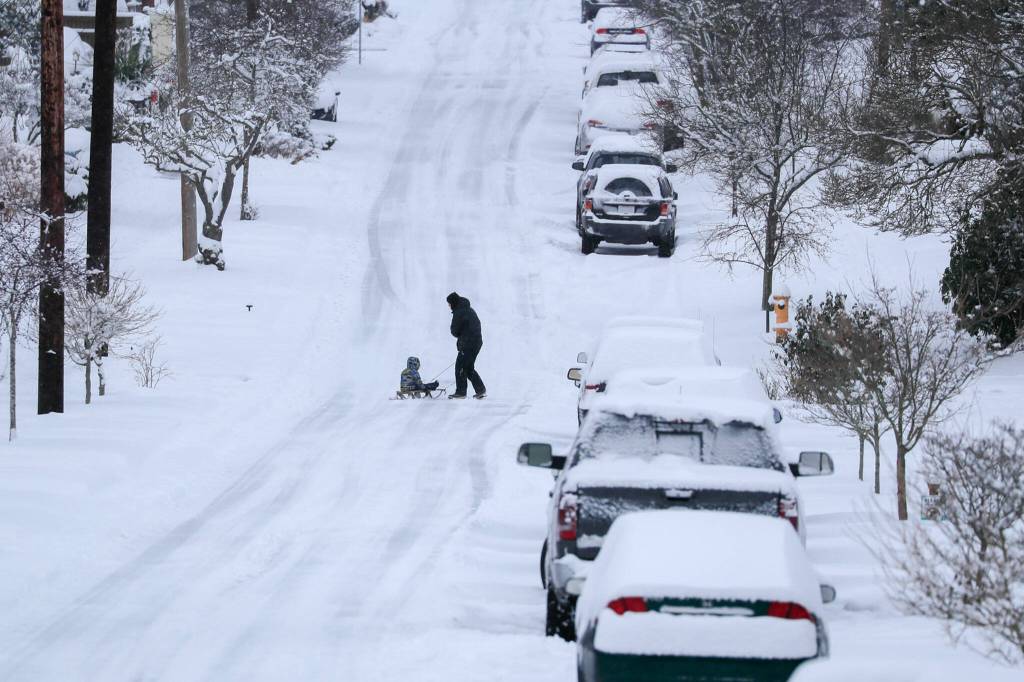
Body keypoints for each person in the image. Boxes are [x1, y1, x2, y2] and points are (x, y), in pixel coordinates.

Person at [446, 292, 486, 399]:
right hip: (477, 342)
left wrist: (461, 336)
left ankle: (461, 392)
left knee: (460, 367)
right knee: (468, 368)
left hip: (468, 344)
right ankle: (480, 389)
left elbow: (454, 331)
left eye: (449, 304)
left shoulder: (459, 312)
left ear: (453, 302)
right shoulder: (469, 309)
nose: (449, 306)